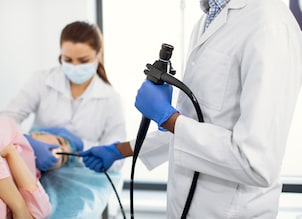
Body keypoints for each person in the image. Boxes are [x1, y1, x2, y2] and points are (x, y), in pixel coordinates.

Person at [79, 0, 302, 218]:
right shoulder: (207, 20)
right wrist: (120, 150)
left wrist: (168, 118)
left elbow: (257, 163)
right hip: (186, 206)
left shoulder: (270, 24)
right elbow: (191, 128)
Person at [0, 21, 126, 218]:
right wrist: (27, 141)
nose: (75, 66)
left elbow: (117, 158)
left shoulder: (110, 99)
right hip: (33, 165)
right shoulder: (42, 81)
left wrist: (79, 146)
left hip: (84, 177)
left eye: (83, 61)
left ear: (98, 53)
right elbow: (5, 121)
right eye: (67, 59)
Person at [0, 115, 75, 219]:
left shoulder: (34, 177)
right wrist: (19, 206)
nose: (62, 150)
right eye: (60, 141)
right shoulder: (11, 129)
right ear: (38, 133)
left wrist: (12, 154)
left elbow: (40, 213)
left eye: (63, 158)